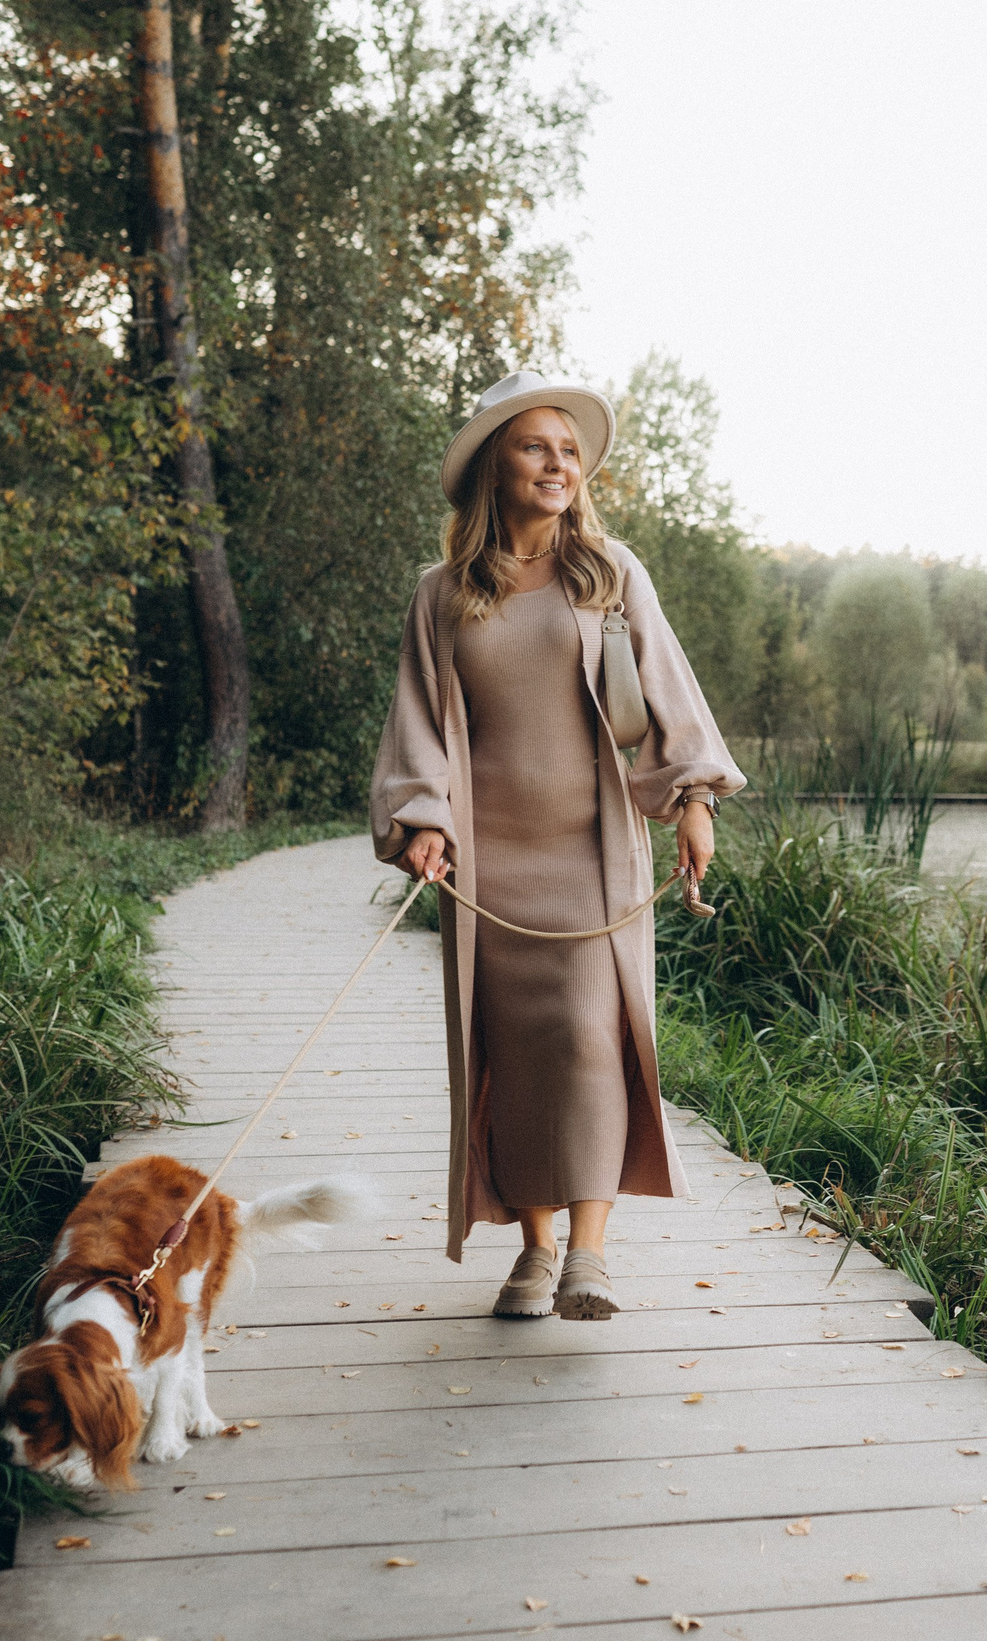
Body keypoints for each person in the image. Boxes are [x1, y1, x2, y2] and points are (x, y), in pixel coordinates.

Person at [369, 370, 745, 1319]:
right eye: (537, 446)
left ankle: (589, 1253)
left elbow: (668, 692)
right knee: (517, 1052)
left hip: (592, 852)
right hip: (488, 865)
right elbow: (418, 719)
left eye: (569, 450)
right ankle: (533, 1253)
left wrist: (694, 798)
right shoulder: (443, 594)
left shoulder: (611, 574)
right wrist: (422, 818)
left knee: (586, 1040)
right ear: (496, 465)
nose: (558, 463)